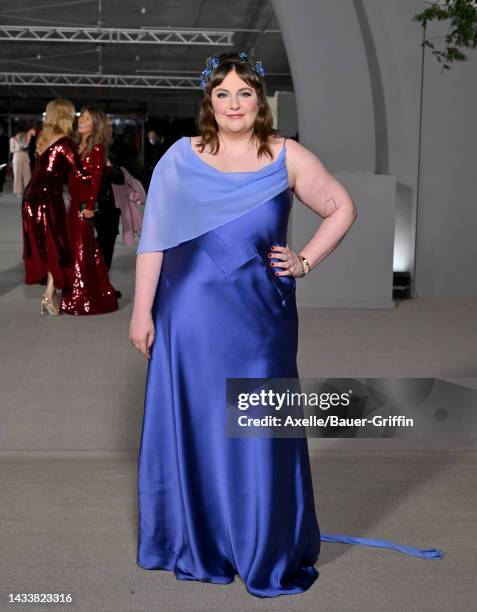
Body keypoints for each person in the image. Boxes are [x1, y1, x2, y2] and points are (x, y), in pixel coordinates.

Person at [129, 51, 442, 598]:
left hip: (259, 321)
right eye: (222, 94)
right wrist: (141, 310)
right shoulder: (180, 158)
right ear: (209, 101)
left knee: (257, 424)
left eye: (244, 93)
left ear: (260, 101)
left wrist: (305, 261)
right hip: (187, 317)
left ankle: (261, 542)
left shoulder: (287, 155)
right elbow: (153, 238)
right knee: (197, 422)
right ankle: (202, 541)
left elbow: (341, 207)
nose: (233, 104)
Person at [21, 98, 93, 315]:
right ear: (65, 116)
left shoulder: (44, 140)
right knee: (58, 246)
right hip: (48, 201)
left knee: (46, 246)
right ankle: (48, 296)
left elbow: (49, 173)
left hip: (30, 198)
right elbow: (80, 174)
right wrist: (101, 168)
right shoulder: (66, 143)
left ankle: (49, 295)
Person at [60, 106, 118, 315]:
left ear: (95, 124)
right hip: (73, 204)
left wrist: (91, 207)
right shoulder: (78, 145)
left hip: (84, 207)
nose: (81, 121)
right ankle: (79, 292)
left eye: (86, 118)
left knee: (83, 251)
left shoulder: (97, 148)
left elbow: (96, 180)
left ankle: (84, 297)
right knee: (78, 251)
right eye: (80, 118)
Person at [10, 128, 31, 197]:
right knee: (17, 175)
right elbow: (11, 150)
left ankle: (27, 190)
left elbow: (29, 147)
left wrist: (27, 148)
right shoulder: (13, 139)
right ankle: (18, 192)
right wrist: (18, 149)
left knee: (27, 175)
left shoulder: (25, 138)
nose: (22, 134)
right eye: (21, 133)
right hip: (17, 158)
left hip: (25, 158)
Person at [0, 124, 9, 196]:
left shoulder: (5, 138)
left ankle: (1, 186)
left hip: (3, 160)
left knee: (2, 174)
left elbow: (7, 149)